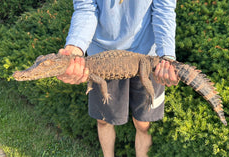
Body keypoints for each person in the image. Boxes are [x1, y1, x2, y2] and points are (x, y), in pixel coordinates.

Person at [57, 0, 177, 156]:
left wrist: (166, 55)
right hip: (102, 58)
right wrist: (75, 48)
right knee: (104, 119)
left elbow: (164, 9)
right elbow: (86, 7)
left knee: (144, 123)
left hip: (147, 57)